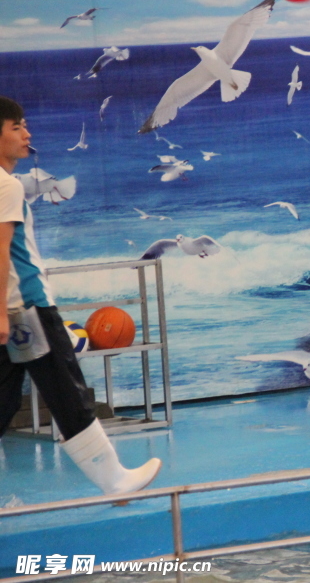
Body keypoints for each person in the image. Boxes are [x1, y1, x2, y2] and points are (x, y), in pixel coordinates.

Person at [0, 96, 161, 494]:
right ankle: (114, 480)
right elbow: (1, 251)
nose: (27, 134)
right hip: (27, 309)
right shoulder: (6, 186)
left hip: (14, 310)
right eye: (16, 127)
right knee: (67, 390)